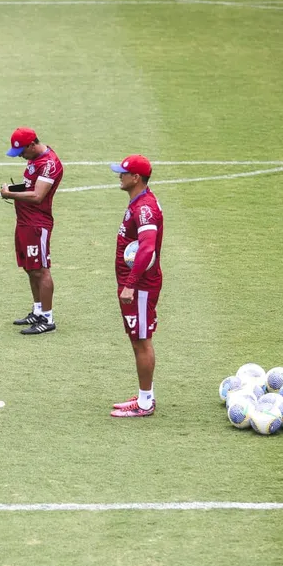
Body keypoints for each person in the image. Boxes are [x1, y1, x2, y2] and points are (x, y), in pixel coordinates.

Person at [109, 155, 164, 418]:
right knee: (136, 339)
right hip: (134, 285)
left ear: (136, 178)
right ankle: (145, 396)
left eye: (123, 173)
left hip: (140, 287)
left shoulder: (145, 208)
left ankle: (145, 404)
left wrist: (130, 285)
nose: (119, 176)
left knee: (142, 341)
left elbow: (147, 247)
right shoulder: (138, 203)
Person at [0, 127, 63, 335]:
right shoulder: (35, 159)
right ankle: (37, 310)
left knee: (41, 270)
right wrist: (16, 189)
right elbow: (30, 185)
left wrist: (10, 195)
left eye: (22, 153)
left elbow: (37, 196)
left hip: (37, 224)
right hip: (25, 221)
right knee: (30, 267)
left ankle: (47, 318)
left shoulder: (49, 164)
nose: (21, 157)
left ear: (32, 145)